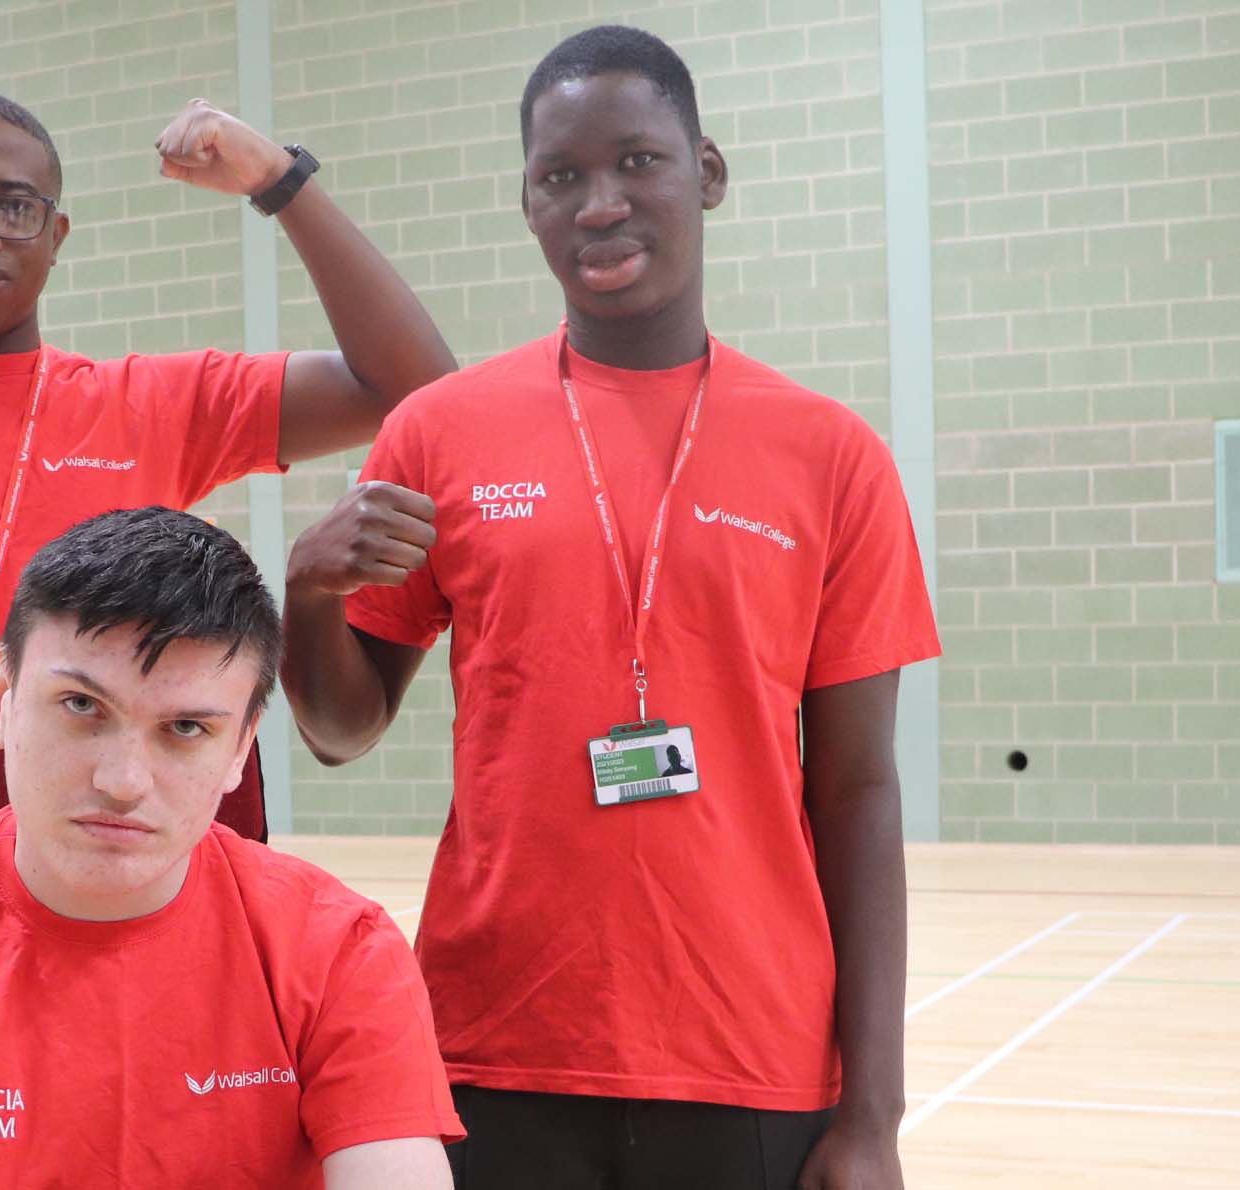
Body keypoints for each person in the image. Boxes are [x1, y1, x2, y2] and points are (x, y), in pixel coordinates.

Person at [278, 25, 939, 1190]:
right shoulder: (441, 431)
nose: (599, 203)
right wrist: (309, 593)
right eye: (561, 176)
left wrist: (875, 1114)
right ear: (527, 203)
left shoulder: (832, 455)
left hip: (751, 1053)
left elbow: (858, 786)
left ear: (708, 173)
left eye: (638, 161)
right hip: (493, 1044)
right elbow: (340, 729)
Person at [0, 89, 457, 1012]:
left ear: (56, 232)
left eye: (12, 205)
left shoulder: (147, 404)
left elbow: (416, 387)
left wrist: (282, 182)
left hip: (113, 892)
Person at [0, 508, 458, 1188]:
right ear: (1, 697)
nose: (122, 782)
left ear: (242, 746)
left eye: (185, 728)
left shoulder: (341, 948)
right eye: (82, 707)